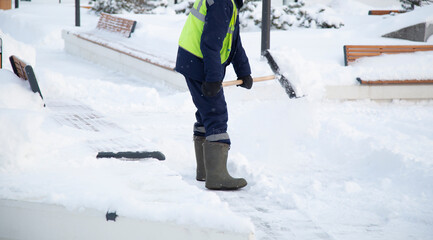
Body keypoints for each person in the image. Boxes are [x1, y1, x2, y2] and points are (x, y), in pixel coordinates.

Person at [175, 0, 253, 190]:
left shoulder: (229, 3)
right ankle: (216, 176)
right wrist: (212, 78)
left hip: (194, 60)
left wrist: (244, 71)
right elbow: (210, 43)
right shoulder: (222, 2)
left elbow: (234, 41)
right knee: (216, 113)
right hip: (198, 62)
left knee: (206, 113)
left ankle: (205, 171)